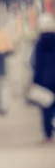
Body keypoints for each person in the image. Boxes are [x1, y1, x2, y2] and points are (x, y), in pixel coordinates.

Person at [32, 14, 55, 143]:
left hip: (44, 80)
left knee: (46, 108)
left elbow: (37, 63)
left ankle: (48, 135)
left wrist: (35, 80)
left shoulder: (40, 44)